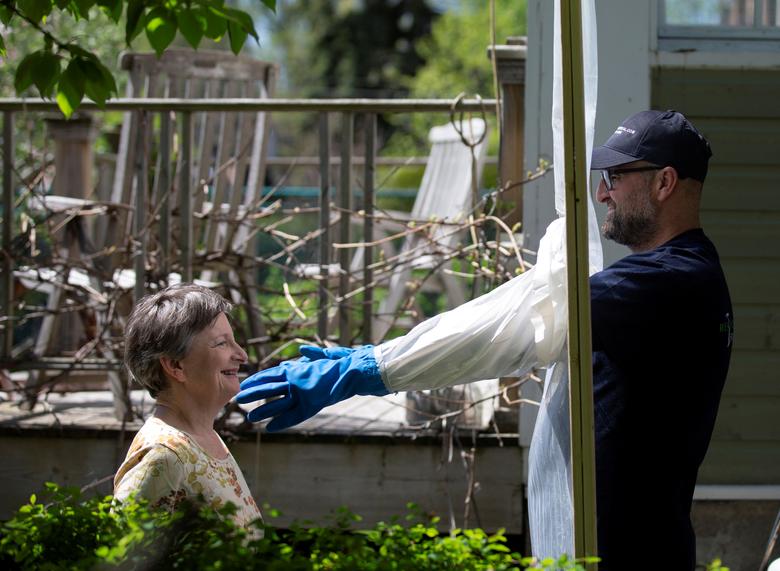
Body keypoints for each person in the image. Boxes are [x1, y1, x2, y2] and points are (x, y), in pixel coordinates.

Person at [236, 110, 733, 569]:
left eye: (614, 178)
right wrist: (369, 359)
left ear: (665, 182)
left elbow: (508, 328)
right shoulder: (676, 276)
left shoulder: (668, 283)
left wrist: (368, 369)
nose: (602, 195)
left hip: (630, 553)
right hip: (630, 544)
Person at [114, 283, 262, 530]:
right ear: (175, 366)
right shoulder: (163, 456)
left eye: (234, 341)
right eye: (221, 343)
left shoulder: (204, 438)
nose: (241, 354)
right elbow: (123, 560)